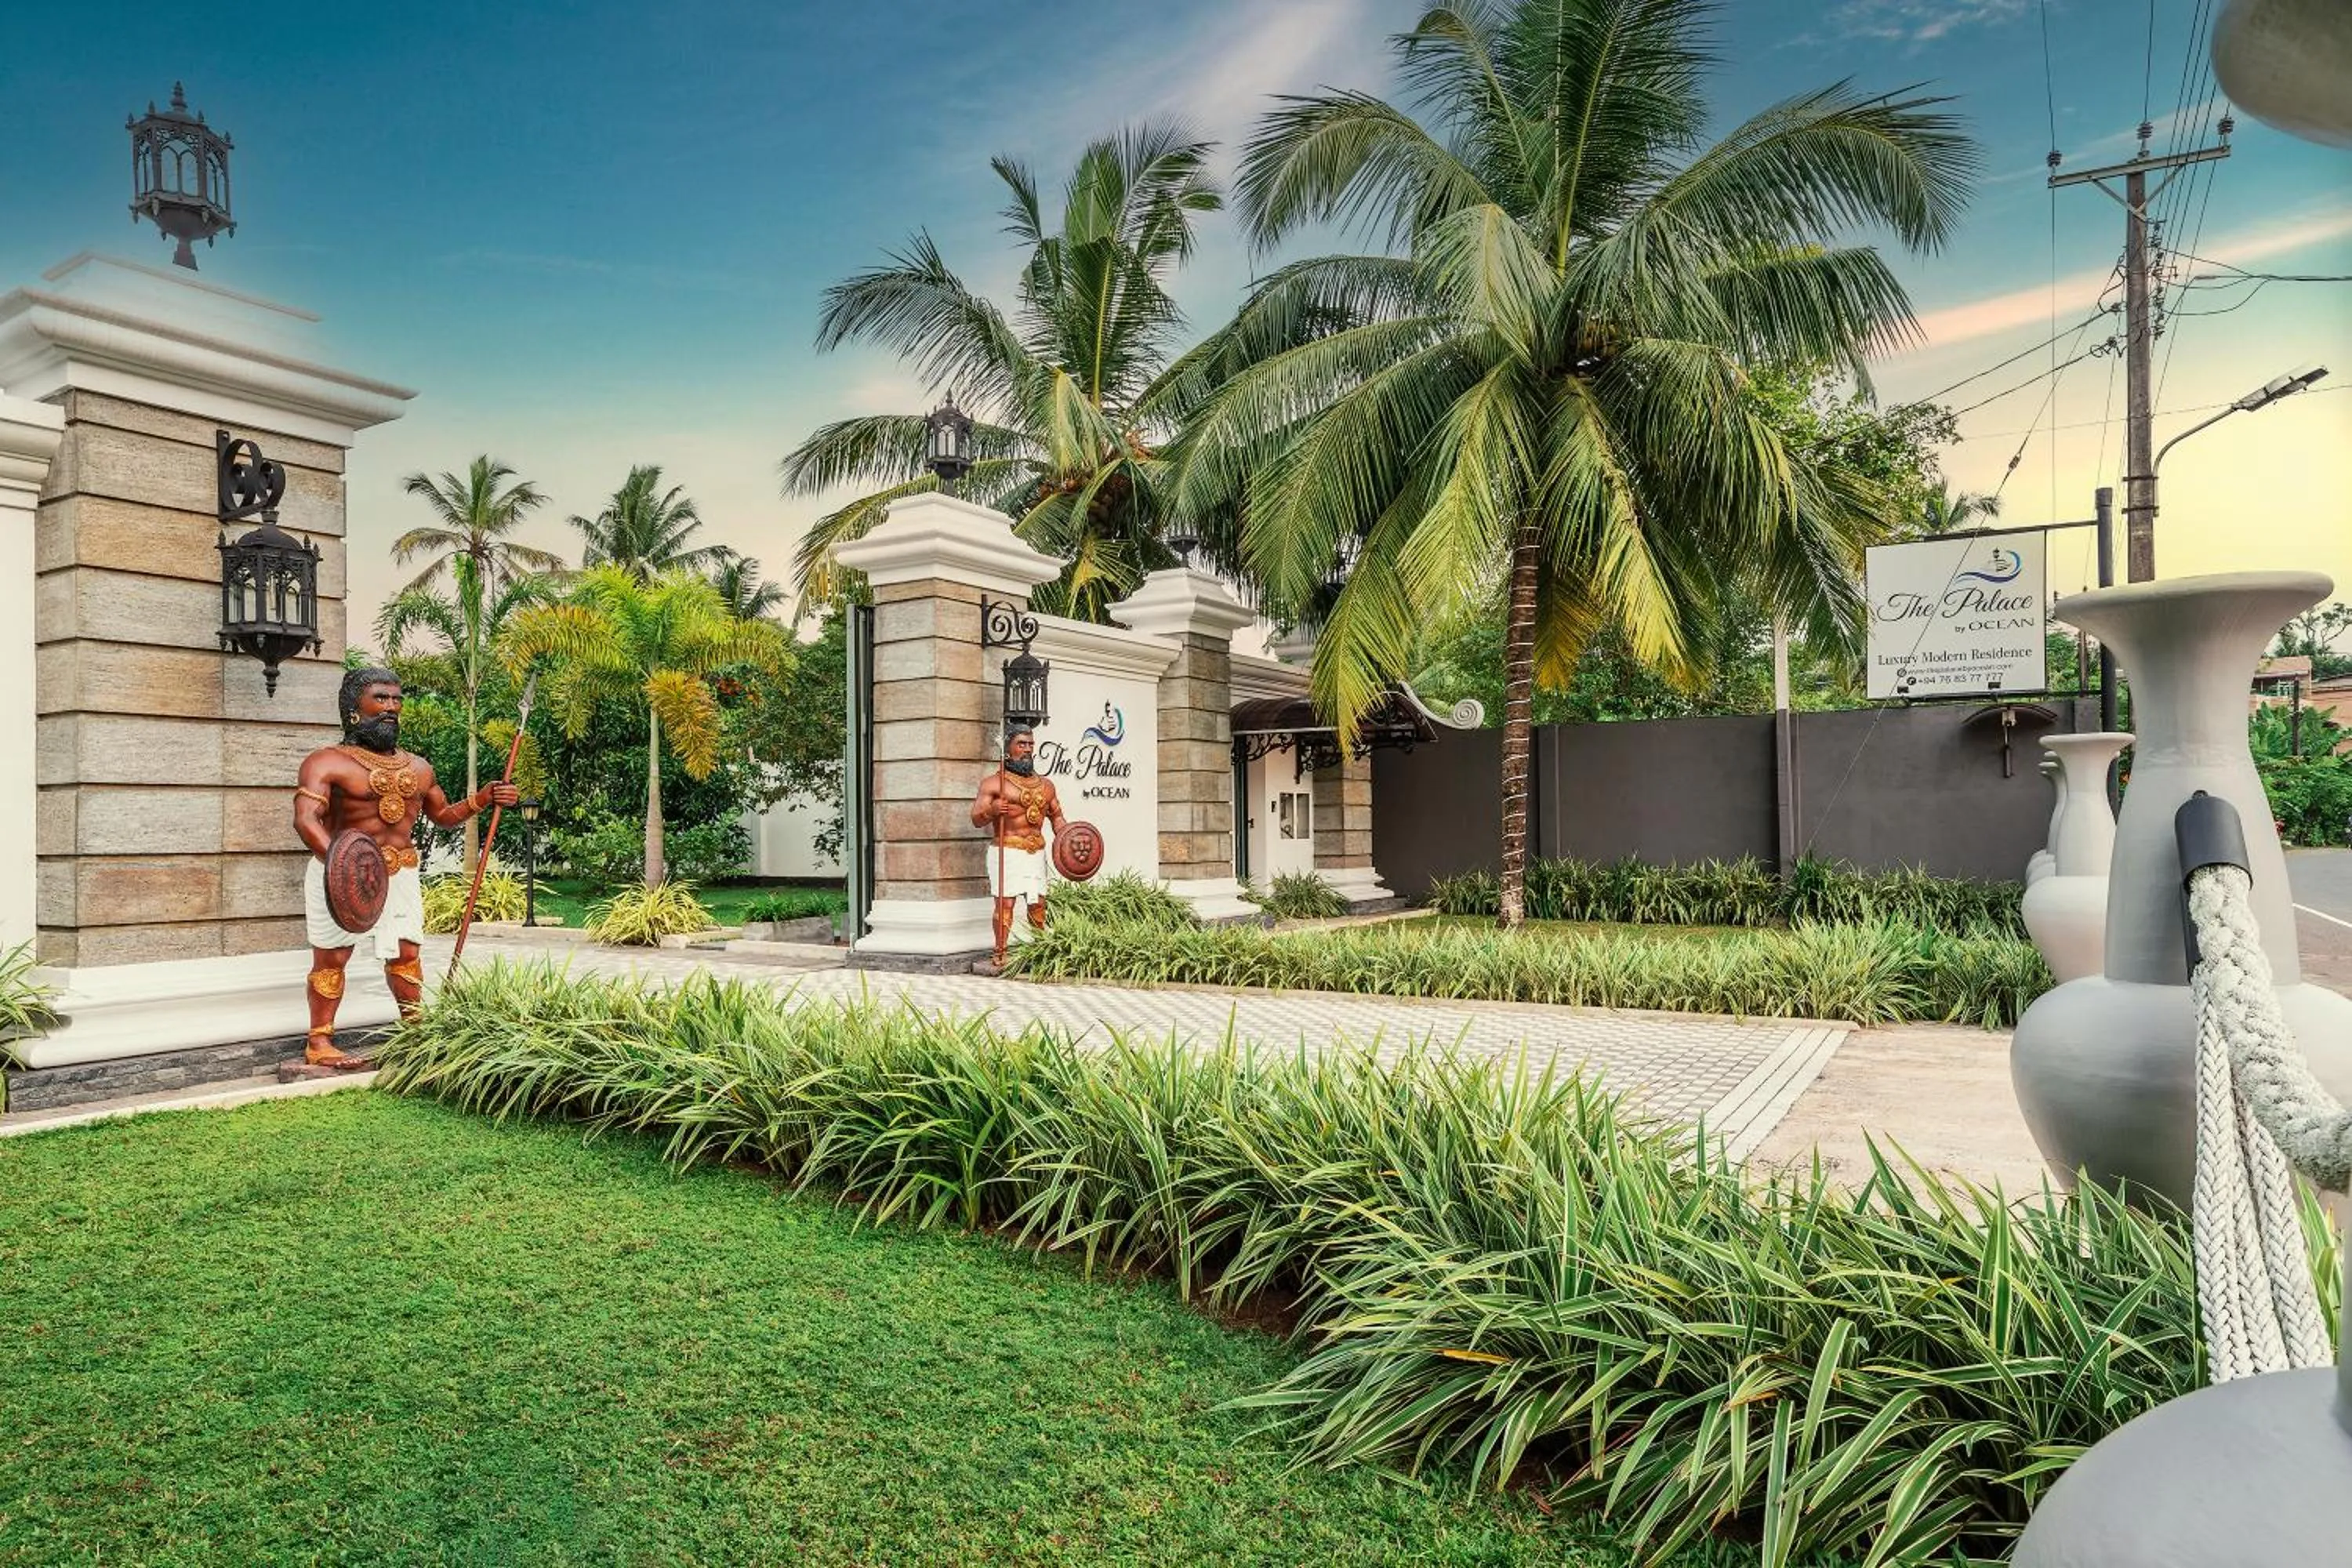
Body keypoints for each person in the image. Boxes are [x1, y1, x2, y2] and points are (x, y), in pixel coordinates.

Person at [291, 667, 519, 1069]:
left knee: (406, 954)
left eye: (397, 700)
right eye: (381, 699)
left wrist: (483, 799)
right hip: (342, 878)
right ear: (353, 708)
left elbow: (444, 815)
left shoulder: (419, 767)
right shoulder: (326, 762)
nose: (392, 708)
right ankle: (320, 1042)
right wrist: (343, 868)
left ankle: (416, 1034)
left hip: (401, 873)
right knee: (332, 958)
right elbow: (306, 820)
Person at [969, 724, 1065, 968]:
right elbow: (976, 819)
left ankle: (1040, 947)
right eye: (1022, 744)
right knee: (1005, 903)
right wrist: (992, 810)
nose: (1027, 749)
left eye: (1030, 744)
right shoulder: (993, 783)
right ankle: (1000, 951)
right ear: (1008, 749)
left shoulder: (1046, 785)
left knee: (1038, 903)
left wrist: (1068, 837)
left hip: (1036, 850)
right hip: (1007, 849)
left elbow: (1057, 818)